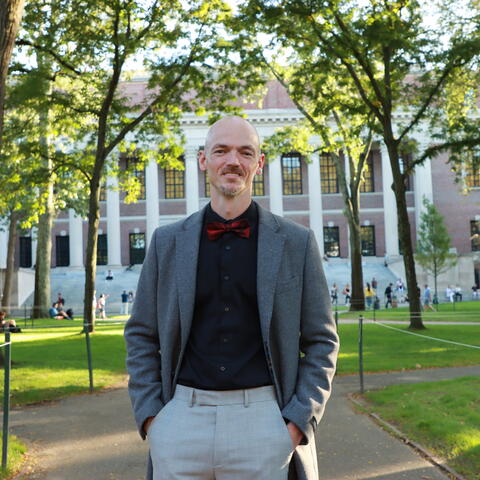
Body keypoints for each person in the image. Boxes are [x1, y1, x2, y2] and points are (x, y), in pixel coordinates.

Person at [124, 116, 339, 480]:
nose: (233, 161)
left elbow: (322, 341)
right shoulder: (166, 242)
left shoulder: (296, 243)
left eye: (245, 152)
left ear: (259, 162)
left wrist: (297, 422)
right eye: (221, 151)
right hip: (180, 419)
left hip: (265, 420)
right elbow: (141, 334)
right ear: (203, 160)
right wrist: (152, 418)